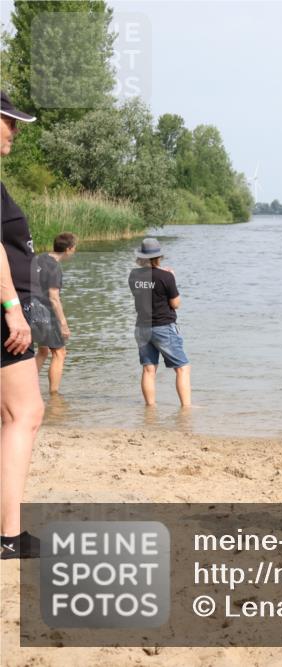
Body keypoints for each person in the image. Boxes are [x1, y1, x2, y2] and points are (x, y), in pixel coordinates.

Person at [0, 90, 44, 559]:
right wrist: (13, 307)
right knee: (23, 414)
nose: (15, 129)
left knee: (13, 415)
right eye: (9, 120)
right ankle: (8, 538)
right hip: (3, 316)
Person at [127, 238, 191, 407]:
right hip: (163, 327)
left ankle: (151, 407)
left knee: (149, 369)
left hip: (142, 327)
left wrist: (164, 274)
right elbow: (175, 304)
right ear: (159, 256)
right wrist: (172, 278)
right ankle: (186, 407)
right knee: (182, 368)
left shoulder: (133, 275)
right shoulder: (167, 276)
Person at [34, 232, 78, 394]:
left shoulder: (39, 258)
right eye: (74, 248)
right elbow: (53, 298)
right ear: (68, 249)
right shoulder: (55, 268)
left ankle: (27, 385)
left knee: (43, 351)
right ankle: (54, 395)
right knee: (59, 353)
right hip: (45, 313)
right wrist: (63, 324)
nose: (74, 251)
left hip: (30, 310)